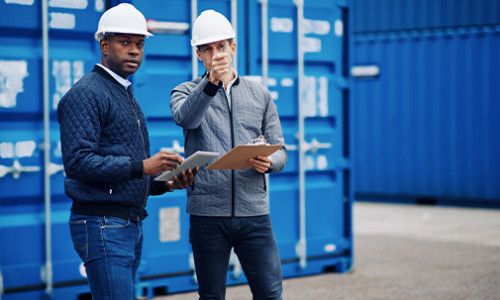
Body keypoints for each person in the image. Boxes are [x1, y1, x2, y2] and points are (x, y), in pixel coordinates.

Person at [57, 3, 197, 299]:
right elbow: (78, 162)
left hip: (126, 223)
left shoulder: (122, 92)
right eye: (125, 42)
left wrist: (164, 183)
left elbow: (124, 168)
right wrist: (144, 167)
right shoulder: (87, 93)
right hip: (103, 225)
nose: (134, 50)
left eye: (139, 43)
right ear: (104, 45)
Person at [170, 9, 287, 300]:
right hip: (207, 216)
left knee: (270, 294)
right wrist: (210, 83)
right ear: (199, 55)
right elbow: (188, 119)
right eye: (207, 49)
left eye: (221, 46)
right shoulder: (184, 91)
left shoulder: (260, 94)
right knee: (211, 297)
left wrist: (269, 161)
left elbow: (281, 150)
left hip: (255, 215)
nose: (215, 54)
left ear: (233, 47)